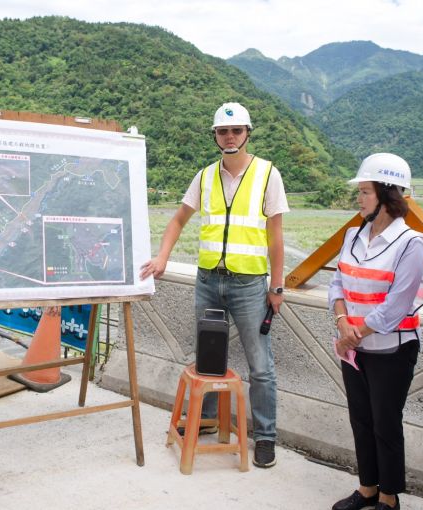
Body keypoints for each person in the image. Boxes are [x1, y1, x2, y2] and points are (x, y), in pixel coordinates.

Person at [140, 102, 287, 468]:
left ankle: (265, 436)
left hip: (250, 285)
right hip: (208, 280)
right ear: (215, 136)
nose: (230, 137)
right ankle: (204, 421)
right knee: (208, 356)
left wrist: (278, 286)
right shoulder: (204, 177)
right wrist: (161, 257)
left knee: (260, 365)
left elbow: (276, 237)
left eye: (236, 131)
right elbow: (177, 220)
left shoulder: (268, 175)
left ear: (247, 133)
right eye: (223, 131)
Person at [328, 153, 423, 510]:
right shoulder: (353, 235)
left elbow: (395, 308)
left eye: (365, 192)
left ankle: (389, 498)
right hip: (355, 348)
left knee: (385, 423)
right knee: (361, 419)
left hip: (392, 350)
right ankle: (368, 488)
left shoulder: (411, 244)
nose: (358, 199)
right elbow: (337, 282)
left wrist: (350, 333)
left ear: (389, 196)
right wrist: (342, 320)